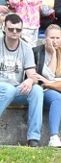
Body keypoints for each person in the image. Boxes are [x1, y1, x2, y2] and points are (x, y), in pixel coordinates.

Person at [0, 14, 43, 147]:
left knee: (37, 90)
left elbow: (33, 75)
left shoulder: (26, 48)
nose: (14, 32)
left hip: (15, 90)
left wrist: (30, 80)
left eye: (18, 30)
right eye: (11, 29)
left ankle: (33, 138)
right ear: (4, 28)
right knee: (8, 89)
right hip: (3, 89)